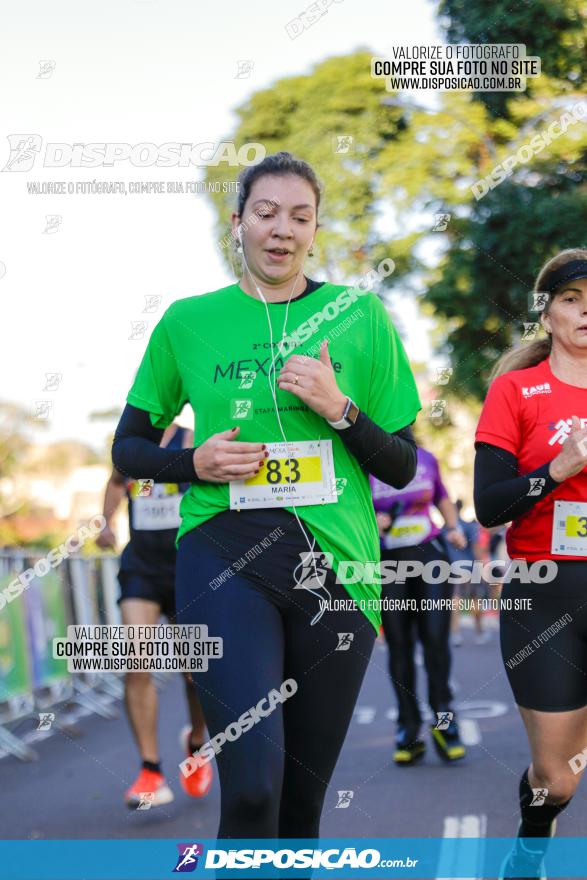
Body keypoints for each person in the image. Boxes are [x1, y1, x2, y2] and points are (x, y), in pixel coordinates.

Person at [111, 151, 421, 845]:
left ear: (314, 230)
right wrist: (192, 461)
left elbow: (401, 466)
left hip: (337, 568)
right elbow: (127, 448)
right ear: (238, 223)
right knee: (251, 792)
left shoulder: (359, 315)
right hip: (222, 553)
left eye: (299, 217)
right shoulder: (188, 322)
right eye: (266, 213)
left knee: (299, 812)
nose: (281, 230)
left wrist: (340, 409)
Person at [474, 248, 587, 879]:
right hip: (543, 595)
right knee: (557, 778)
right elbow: (489, 506)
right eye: (571, 299)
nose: (585, 310)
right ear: (547, 314)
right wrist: (556, 471)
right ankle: (531, 843)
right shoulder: (516, 391)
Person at [97, 420, 212, 807]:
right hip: (141, 568)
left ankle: (197, 742)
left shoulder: (191, 439)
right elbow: (116, 482)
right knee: (137, 660)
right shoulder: (132, 444)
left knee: (195, 674)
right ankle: (150, 770)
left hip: (188, 566)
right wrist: (106, 522)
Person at [370, 446, 468, 766]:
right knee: (399, 645)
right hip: (389, 561)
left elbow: (441, 496)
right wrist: (373, 519)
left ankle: (444, 722)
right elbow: (351, 510)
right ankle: (408, 729)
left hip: (429, 556)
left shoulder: (425, 458)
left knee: (436, 641)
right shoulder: (364, 460)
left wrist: (453, 527)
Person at [445, 499, 488, 646]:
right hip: (470, 567)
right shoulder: (470, 526)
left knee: (455, 601)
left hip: (452, 567)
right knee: (475, 600)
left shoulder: (445, 528)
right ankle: (479, 632)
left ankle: (455, 634)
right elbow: (476, 548)